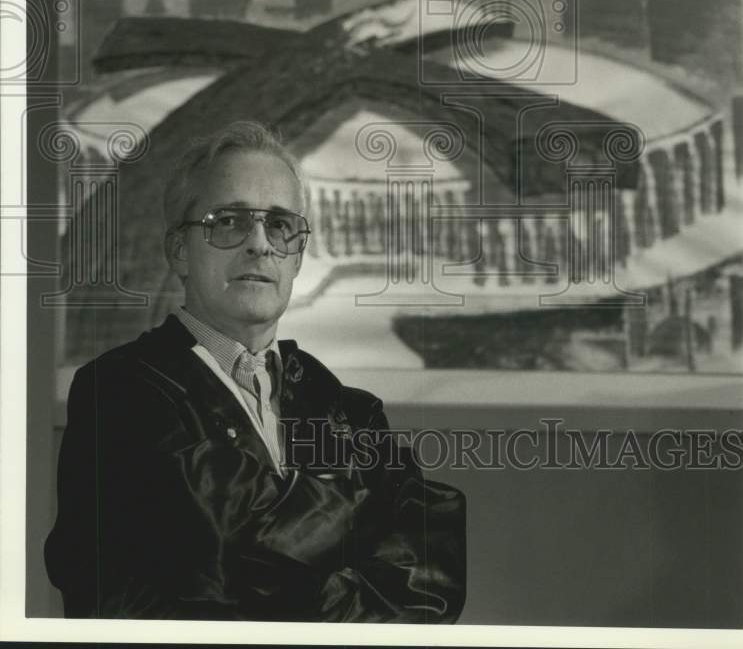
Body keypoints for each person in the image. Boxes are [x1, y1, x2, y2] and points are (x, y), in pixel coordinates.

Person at [45, 120, 466, 622]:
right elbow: (244, 538)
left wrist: (293, 570)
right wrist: (371, 502)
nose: (260, 244)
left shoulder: (351, 409)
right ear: (179, 250)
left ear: (296, 254)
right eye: (229, 221)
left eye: (281, 224)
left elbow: (431, 586)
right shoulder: (118, 392)